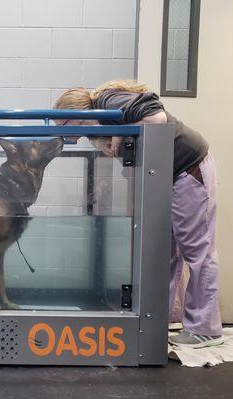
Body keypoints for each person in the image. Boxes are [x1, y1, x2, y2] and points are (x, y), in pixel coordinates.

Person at [54, 80, 224, 348]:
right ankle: (164, 317)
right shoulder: (96, 127)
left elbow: (156, 115)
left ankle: (205, 329)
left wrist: (120, 135)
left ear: (75, 114)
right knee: (164, 251)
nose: (61, 133)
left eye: (61, 124)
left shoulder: (106, 102)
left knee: (198, 251)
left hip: (188, 168)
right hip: (167, 177)